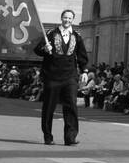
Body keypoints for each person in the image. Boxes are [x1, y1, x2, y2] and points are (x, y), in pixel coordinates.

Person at [33, 9, 88, 146]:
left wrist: (85, 71)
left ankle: (70, 137)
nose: (67, 20)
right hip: (52, 76)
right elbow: (37, 50)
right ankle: (48, 136)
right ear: (61, 18)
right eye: (65, 17)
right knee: (49, 107)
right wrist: (45, 49)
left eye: (70, 18)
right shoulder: (51, 34)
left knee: (71, 106)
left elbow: (82, 55)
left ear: (72, 20)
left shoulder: (77, 36)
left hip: (70, 76)